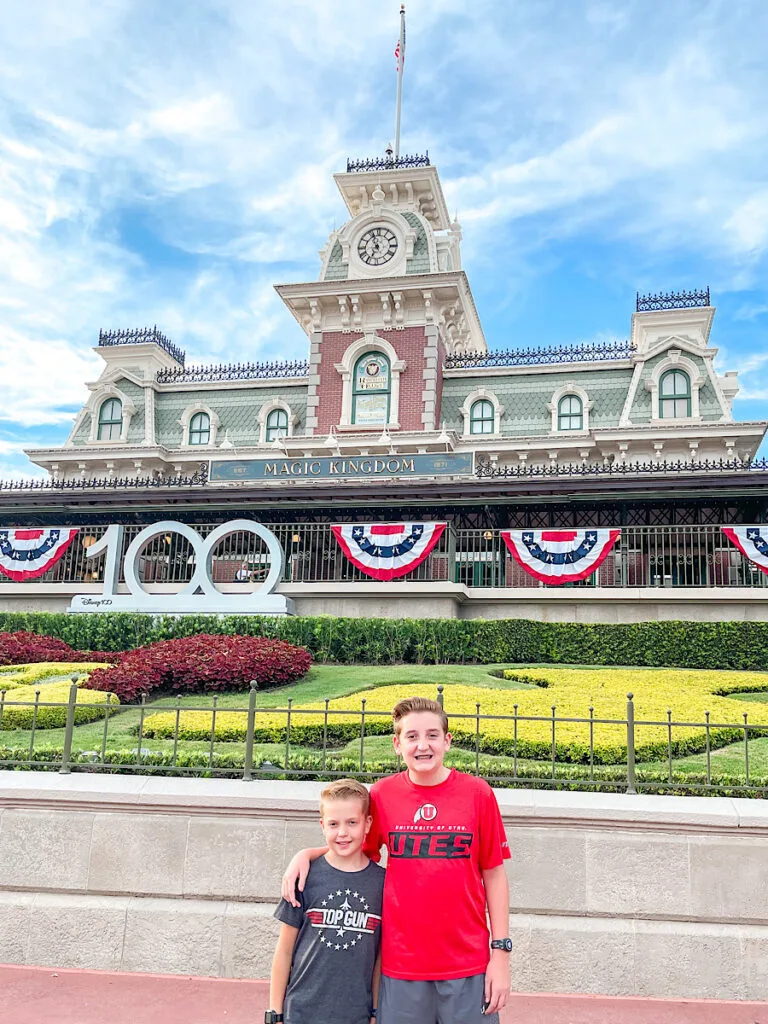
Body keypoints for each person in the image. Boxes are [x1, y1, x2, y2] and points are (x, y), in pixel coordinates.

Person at [281, 697, 512, 1024]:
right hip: (401, 967)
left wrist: (500, 954)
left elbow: (495, 874)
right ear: (397, 744)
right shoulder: (382, 796)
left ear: (447, 741)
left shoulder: (478, 794)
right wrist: (307, 854)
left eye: (432, 735)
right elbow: (355, 849)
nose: (423, 745)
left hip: (468, 964)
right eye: (412, 736)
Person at [267, 778, 385, 1024]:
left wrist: (374, 1011)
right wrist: (274, 1013)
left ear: (367, 823)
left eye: (352, 822)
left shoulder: (382, 884)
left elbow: (379, 958)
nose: (342, 832)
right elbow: (284, 950)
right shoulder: (303, 876)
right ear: (322, 825)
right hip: (300, 1012)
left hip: (355, 1014)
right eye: (333, 824)